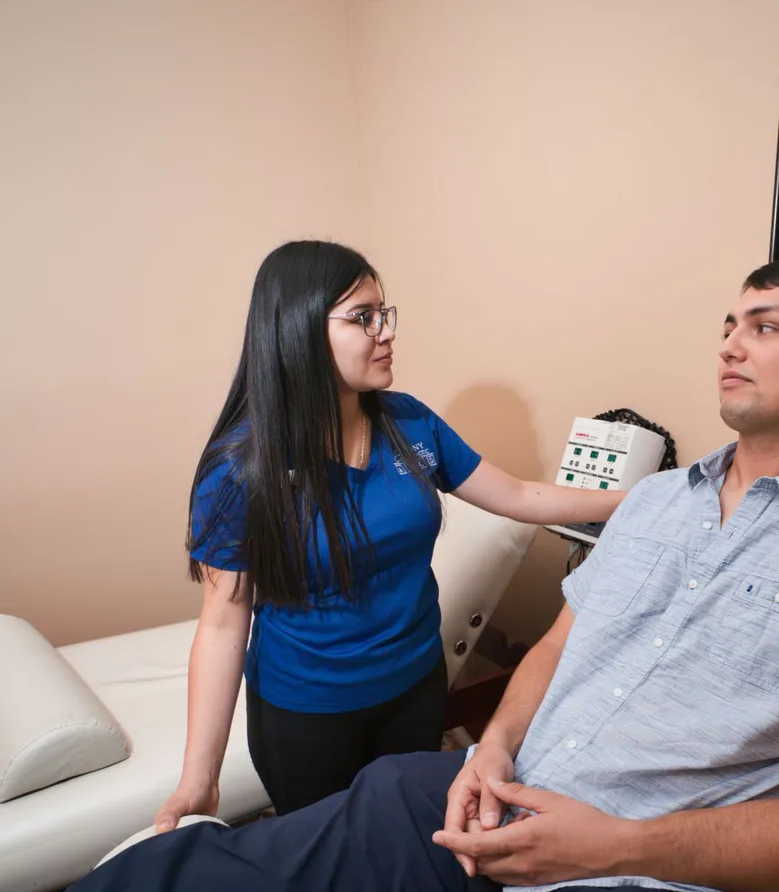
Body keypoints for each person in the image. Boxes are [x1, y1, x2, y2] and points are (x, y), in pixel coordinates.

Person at [0, 258, 779, 892]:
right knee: (166, 888)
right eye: (725, 325)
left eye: (763, 327)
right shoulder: (659, 506)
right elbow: (558, 644)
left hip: (656, 889)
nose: (726, 346)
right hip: (465, 801)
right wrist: (490, 752)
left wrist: (613, 845)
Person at [156, 240, 625, 827]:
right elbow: (224, 623)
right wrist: (199, 779)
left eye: (385, 313)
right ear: (298, 331)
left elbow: (518, 495)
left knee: (406, 841)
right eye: (362, 318)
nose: (385, 331)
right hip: (307, 716)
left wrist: (638, 501)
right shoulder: (239, 471)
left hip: (415, 688)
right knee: (331, 867)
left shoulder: (409, 421)